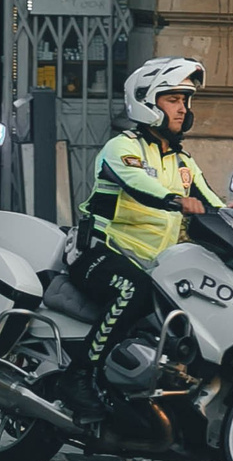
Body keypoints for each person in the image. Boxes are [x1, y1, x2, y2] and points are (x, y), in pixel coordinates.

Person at [65, 58, 224, 416]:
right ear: (147, 102)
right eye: (174, 100)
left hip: (155, 266)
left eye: (187, 101)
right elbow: (141, 186)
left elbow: (215, 205)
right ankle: (79, 375)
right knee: (131, 291)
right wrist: (178, 201)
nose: (183, 109)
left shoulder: (184, 163)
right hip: (98, 253)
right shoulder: (122, 148)